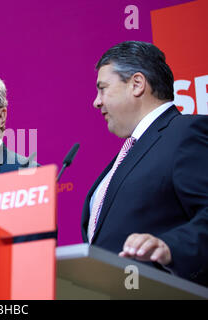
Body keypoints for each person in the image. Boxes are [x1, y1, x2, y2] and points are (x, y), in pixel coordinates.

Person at [81, 41, 207, 286]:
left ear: (137, 84)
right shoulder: (127, 154)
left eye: (103, 88)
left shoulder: (187, 132)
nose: (96, 102)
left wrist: (171, 246)